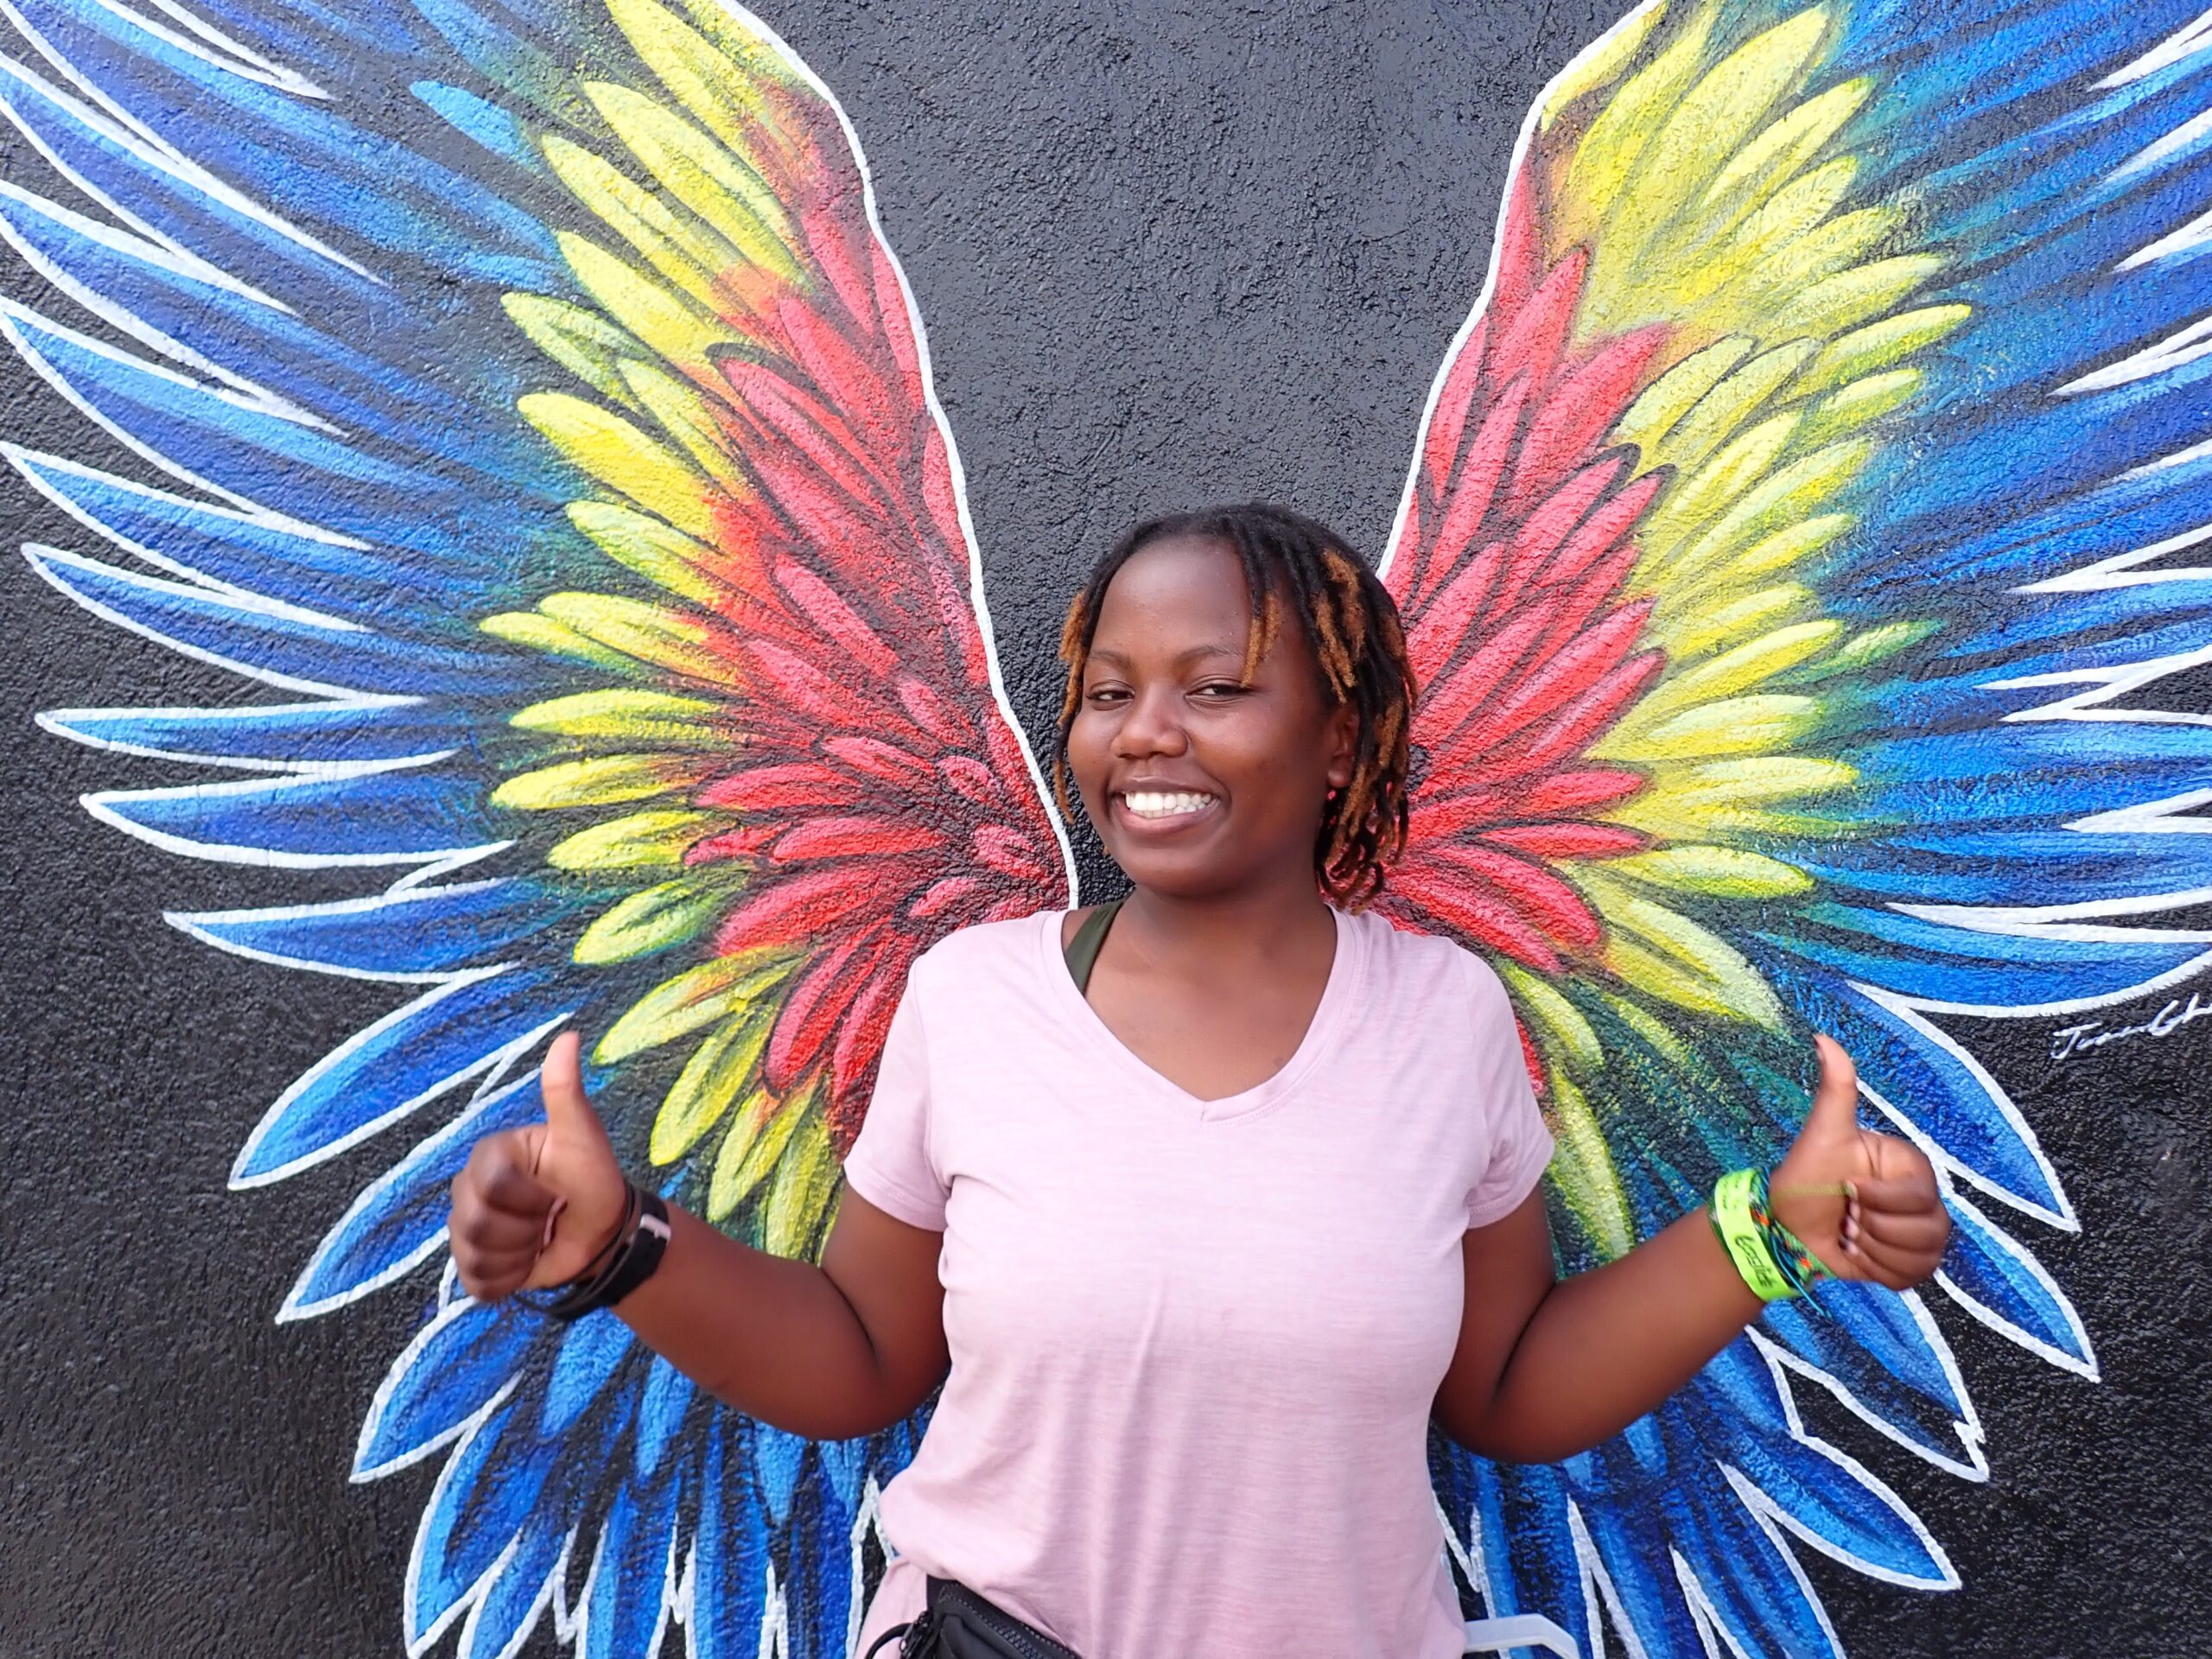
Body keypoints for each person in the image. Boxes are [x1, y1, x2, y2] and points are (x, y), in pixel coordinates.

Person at [448, 505, 1951, 1659]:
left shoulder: (1446, 1020)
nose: (1146, 732)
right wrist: (620, 1253)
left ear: (1341, 739)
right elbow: (858, 1359)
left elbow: (1504, 1390)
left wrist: (1771, 1236)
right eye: (1109, 692)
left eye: (1215, 686)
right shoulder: (972, 1000)